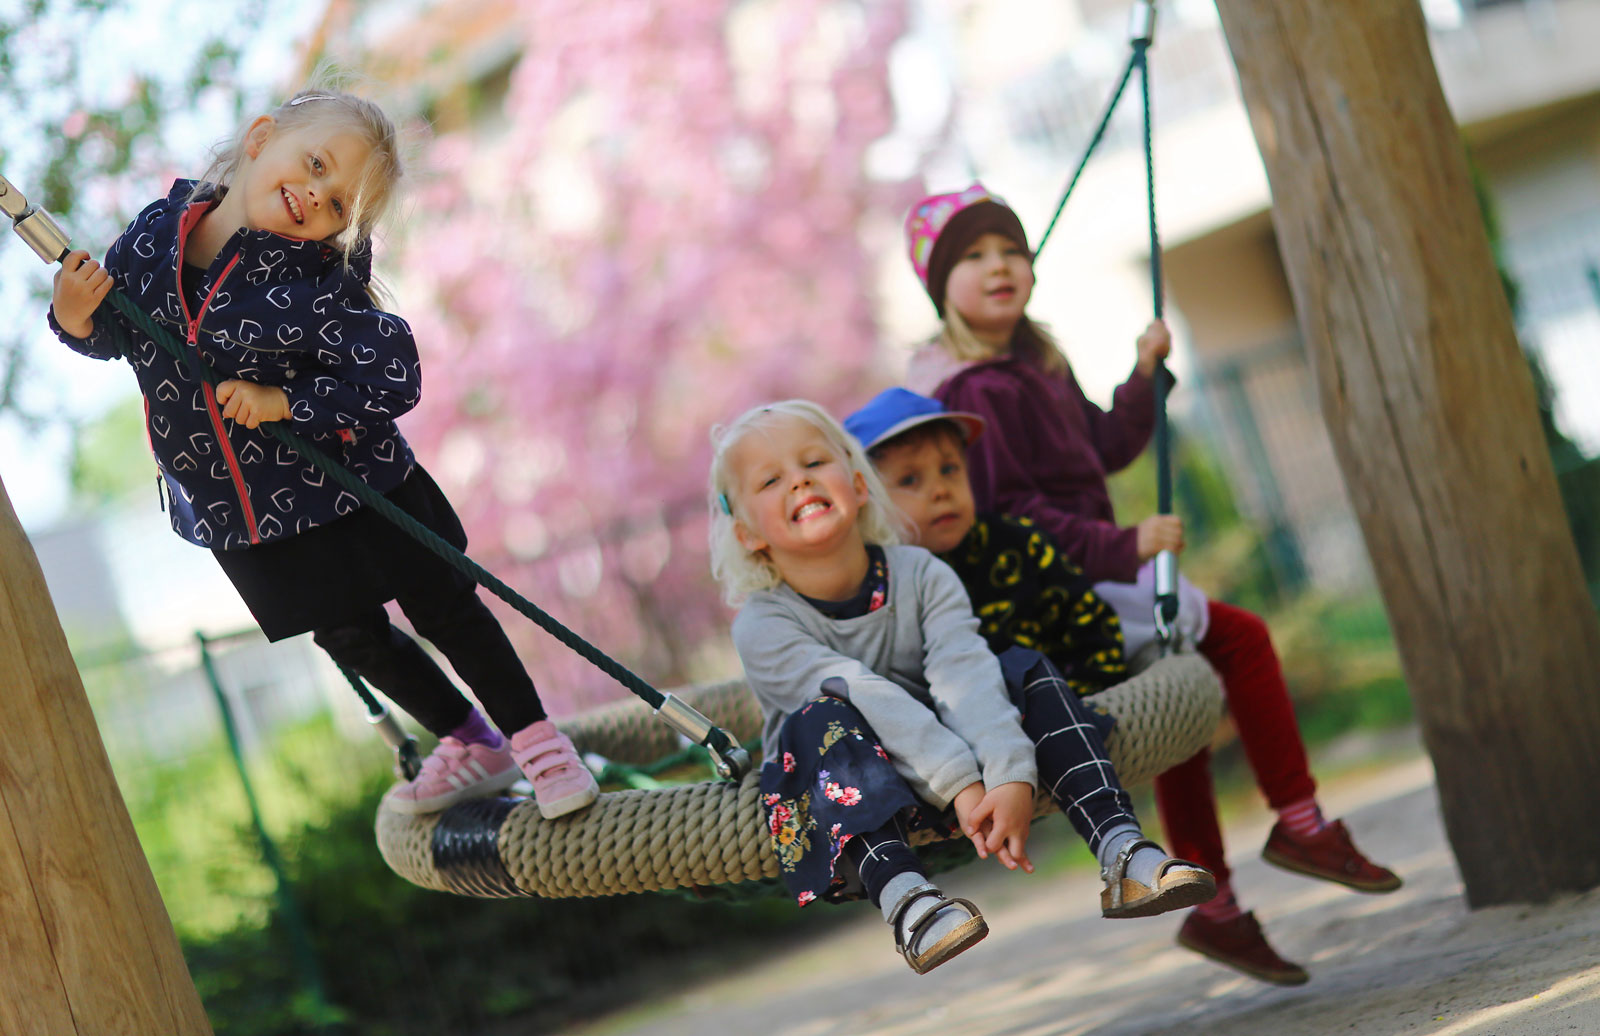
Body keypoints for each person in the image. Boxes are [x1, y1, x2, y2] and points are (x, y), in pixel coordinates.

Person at [48, 86, 597, 820]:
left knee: (443, 605)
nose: (315, 195)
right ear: (259, 139)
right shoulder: (152, 241)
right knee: (350, 635)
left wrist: (288, 406)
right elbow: (119, 334)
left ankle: (539, 744)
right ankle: (473, 741)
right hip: (247, 511)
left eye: (340, 203)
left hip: (356, 485)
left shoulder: (315, 284)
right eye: (313, 164)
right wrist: (72, 315)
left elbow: (394, 372)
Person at [899, 183, 1401, 985]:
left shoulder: (1035, 361)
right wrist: (1121, 544)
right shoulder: (971, 392)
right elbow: (1013, 517)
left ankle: (1218, 908)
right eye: (975, 257)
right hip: (1058, 593)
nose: (1001, 267)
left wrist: (1143, 378)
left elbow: (1104, 445)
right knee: (1237, 639)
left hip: (1091, 576)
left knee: (1183, 711)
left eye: (1012, 251)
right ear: (939, 285)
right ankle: (1299, 821)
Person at [707, 398, 1213, 975]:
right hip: (847, 779)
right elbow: (864, 690)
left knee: (1021, 666)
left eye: (814, 462)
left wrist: (1007, 772)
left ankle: (1122, 849)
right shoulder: (763, 625)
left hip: (949, 752)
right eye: (771, 479)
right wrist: (962, 784)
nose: (798, 480)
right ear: (746, 532)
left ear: (857, 484)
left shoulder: (922, 573)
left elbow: (964, 668)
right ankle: (908, 901)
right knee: (826, 713)